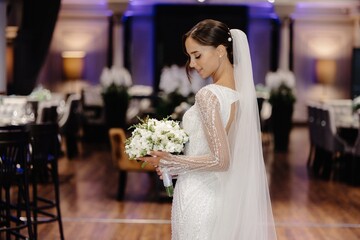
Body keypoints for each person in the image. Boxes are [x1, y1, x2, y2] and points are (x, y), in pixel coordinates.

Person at [139, 19, 277, 240]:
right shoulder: (239, 96)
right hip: (220, 197)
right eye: (190, 57)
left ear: (221, 51)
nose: (192, 64)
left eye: (197, 55)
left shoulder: (208, 95)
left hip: (198, 196)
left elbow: (221, 160)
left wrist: (170, 161)